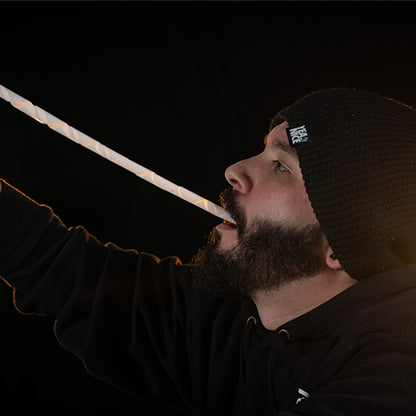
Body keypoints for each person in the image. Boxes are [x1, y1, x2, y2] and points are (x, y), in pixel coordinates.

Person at [1, 88, 416, 415]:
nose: (235, 171)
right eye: (264, 150)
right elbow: (65, 270)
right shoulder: (230, 311)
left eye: (281, 166)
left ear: (339, 249)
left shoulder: (397, 371)